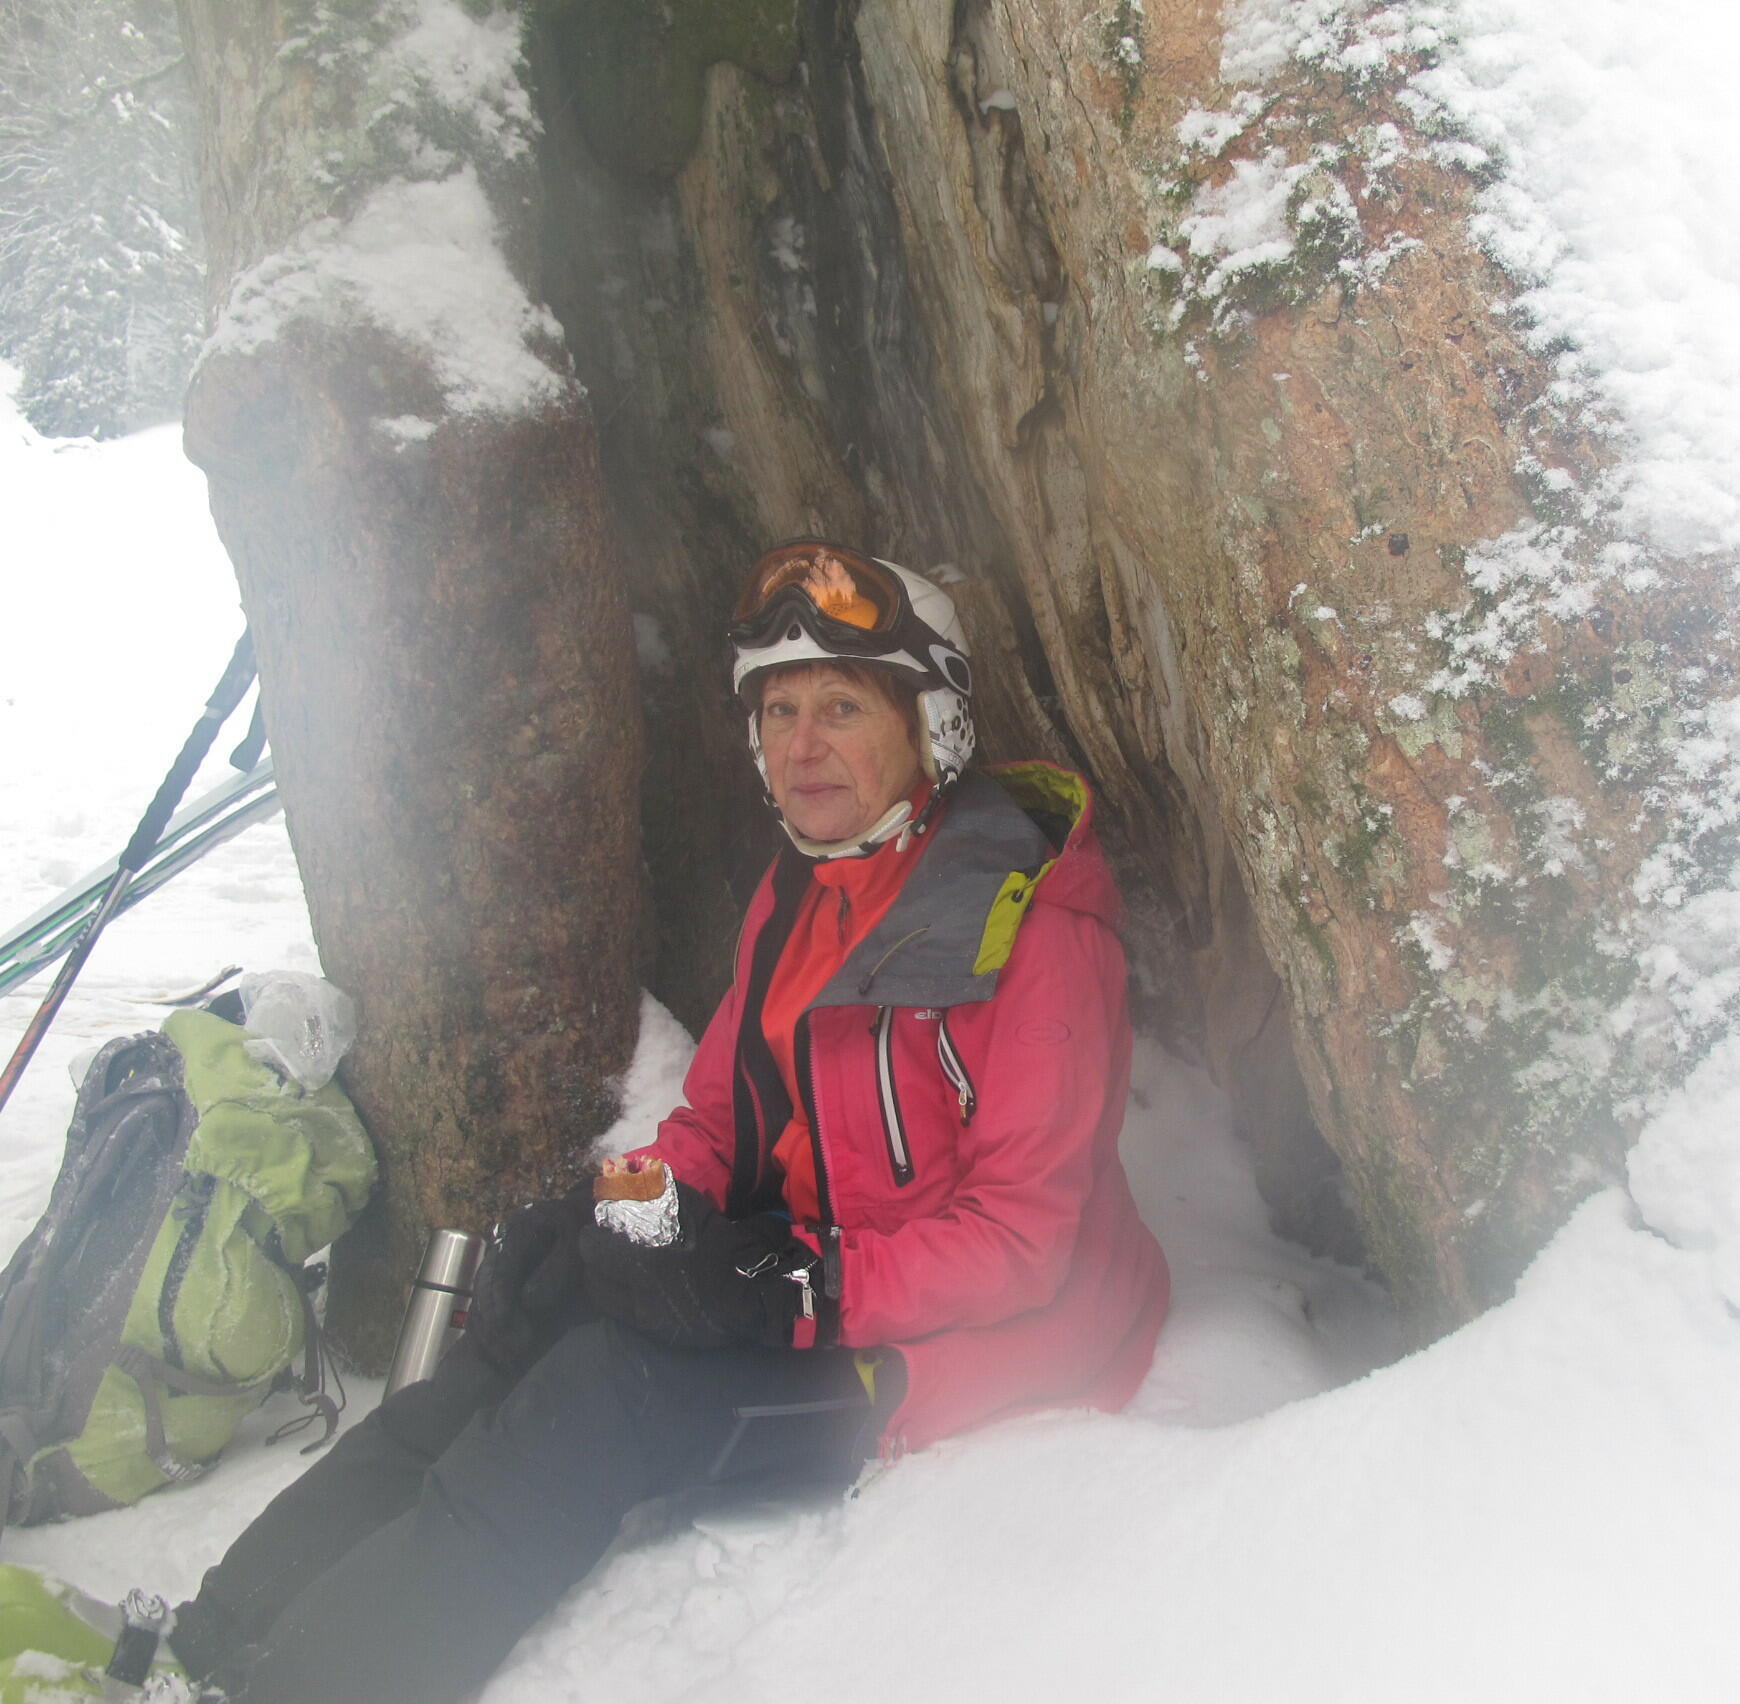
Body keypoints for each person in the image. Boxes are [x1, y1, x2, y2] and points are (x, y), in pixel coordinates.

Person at [159, 539, 1170, 1703]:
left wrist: (796, 1288)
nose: (801, 746)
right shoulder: (805, 890)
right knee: (525, 1333)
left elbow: (1021, 1247)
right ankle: (204, 1642)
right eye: (780, 711)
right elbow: (719, 1119)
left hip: (987, 1344)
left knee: (602, 1402)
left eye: (842, 708)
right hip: (823, 1271)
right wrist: (608, 1216)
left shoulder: (1037, 938)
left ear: (930, 725)